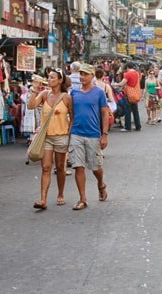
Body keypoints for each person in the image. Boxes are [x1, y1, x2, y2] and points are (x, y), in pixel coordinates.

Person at [27, 67, 74, 210]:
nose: (49, 79)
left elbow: (72, 117)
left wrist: (69, 134)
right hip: (46, 137)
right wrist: (34, 89)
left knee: (60, 168)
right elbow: (31, 106)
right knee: (46, 168)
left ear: (60, 80)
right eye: (48, 77)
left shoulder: (66, 97)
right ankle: (43, 199)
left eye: (53, 77)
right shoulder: (44, 94)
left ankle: (60, 194)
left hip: (61, 137)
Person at [68, 64, 109, 210]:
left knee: (95, 167)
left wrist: (104, 134)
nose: (82, 77)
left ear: (92, 76)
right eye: (81, 74)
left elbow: (105, 113)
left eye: (85, 74)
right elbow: (72, 114)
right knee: (78, 167)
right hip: (76, 134)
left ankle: (101, 184)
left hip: (93, 134)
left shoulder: (99, 93)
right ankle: (83, 199)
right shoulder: (74, 93)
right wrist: (69, 134)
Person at [114, 62, 141, 132]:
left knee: (127, 110)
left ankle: (128, 127)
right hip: (135, 94)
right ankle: (138, 126)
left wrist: (116, 84)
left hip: (129, 95)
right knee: (135, 111)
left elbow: (122, 83)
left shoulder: (128, 74)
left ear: (127, 67)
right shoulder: (137, 73)